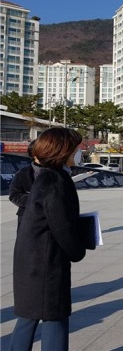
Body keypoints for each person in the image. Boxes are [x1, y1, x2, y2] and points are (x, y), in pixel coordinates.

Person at [10, 128, 87, 351]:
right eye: (76, 147)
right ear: (63, 150)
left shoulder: (48, 176)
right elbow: (61, 225)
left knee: (29, 316)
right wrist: (77, 249)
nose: (79, 151)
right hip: (46, 262)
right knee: (55, 318)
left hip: (32, 259)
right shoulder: (55, 180)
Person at [8, 140, 42, 231]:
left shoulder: (57, 172)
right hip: (28, 217)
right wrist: (37, 200)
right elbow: (14, 196)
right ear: (34, 154)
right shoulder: (23, 174)